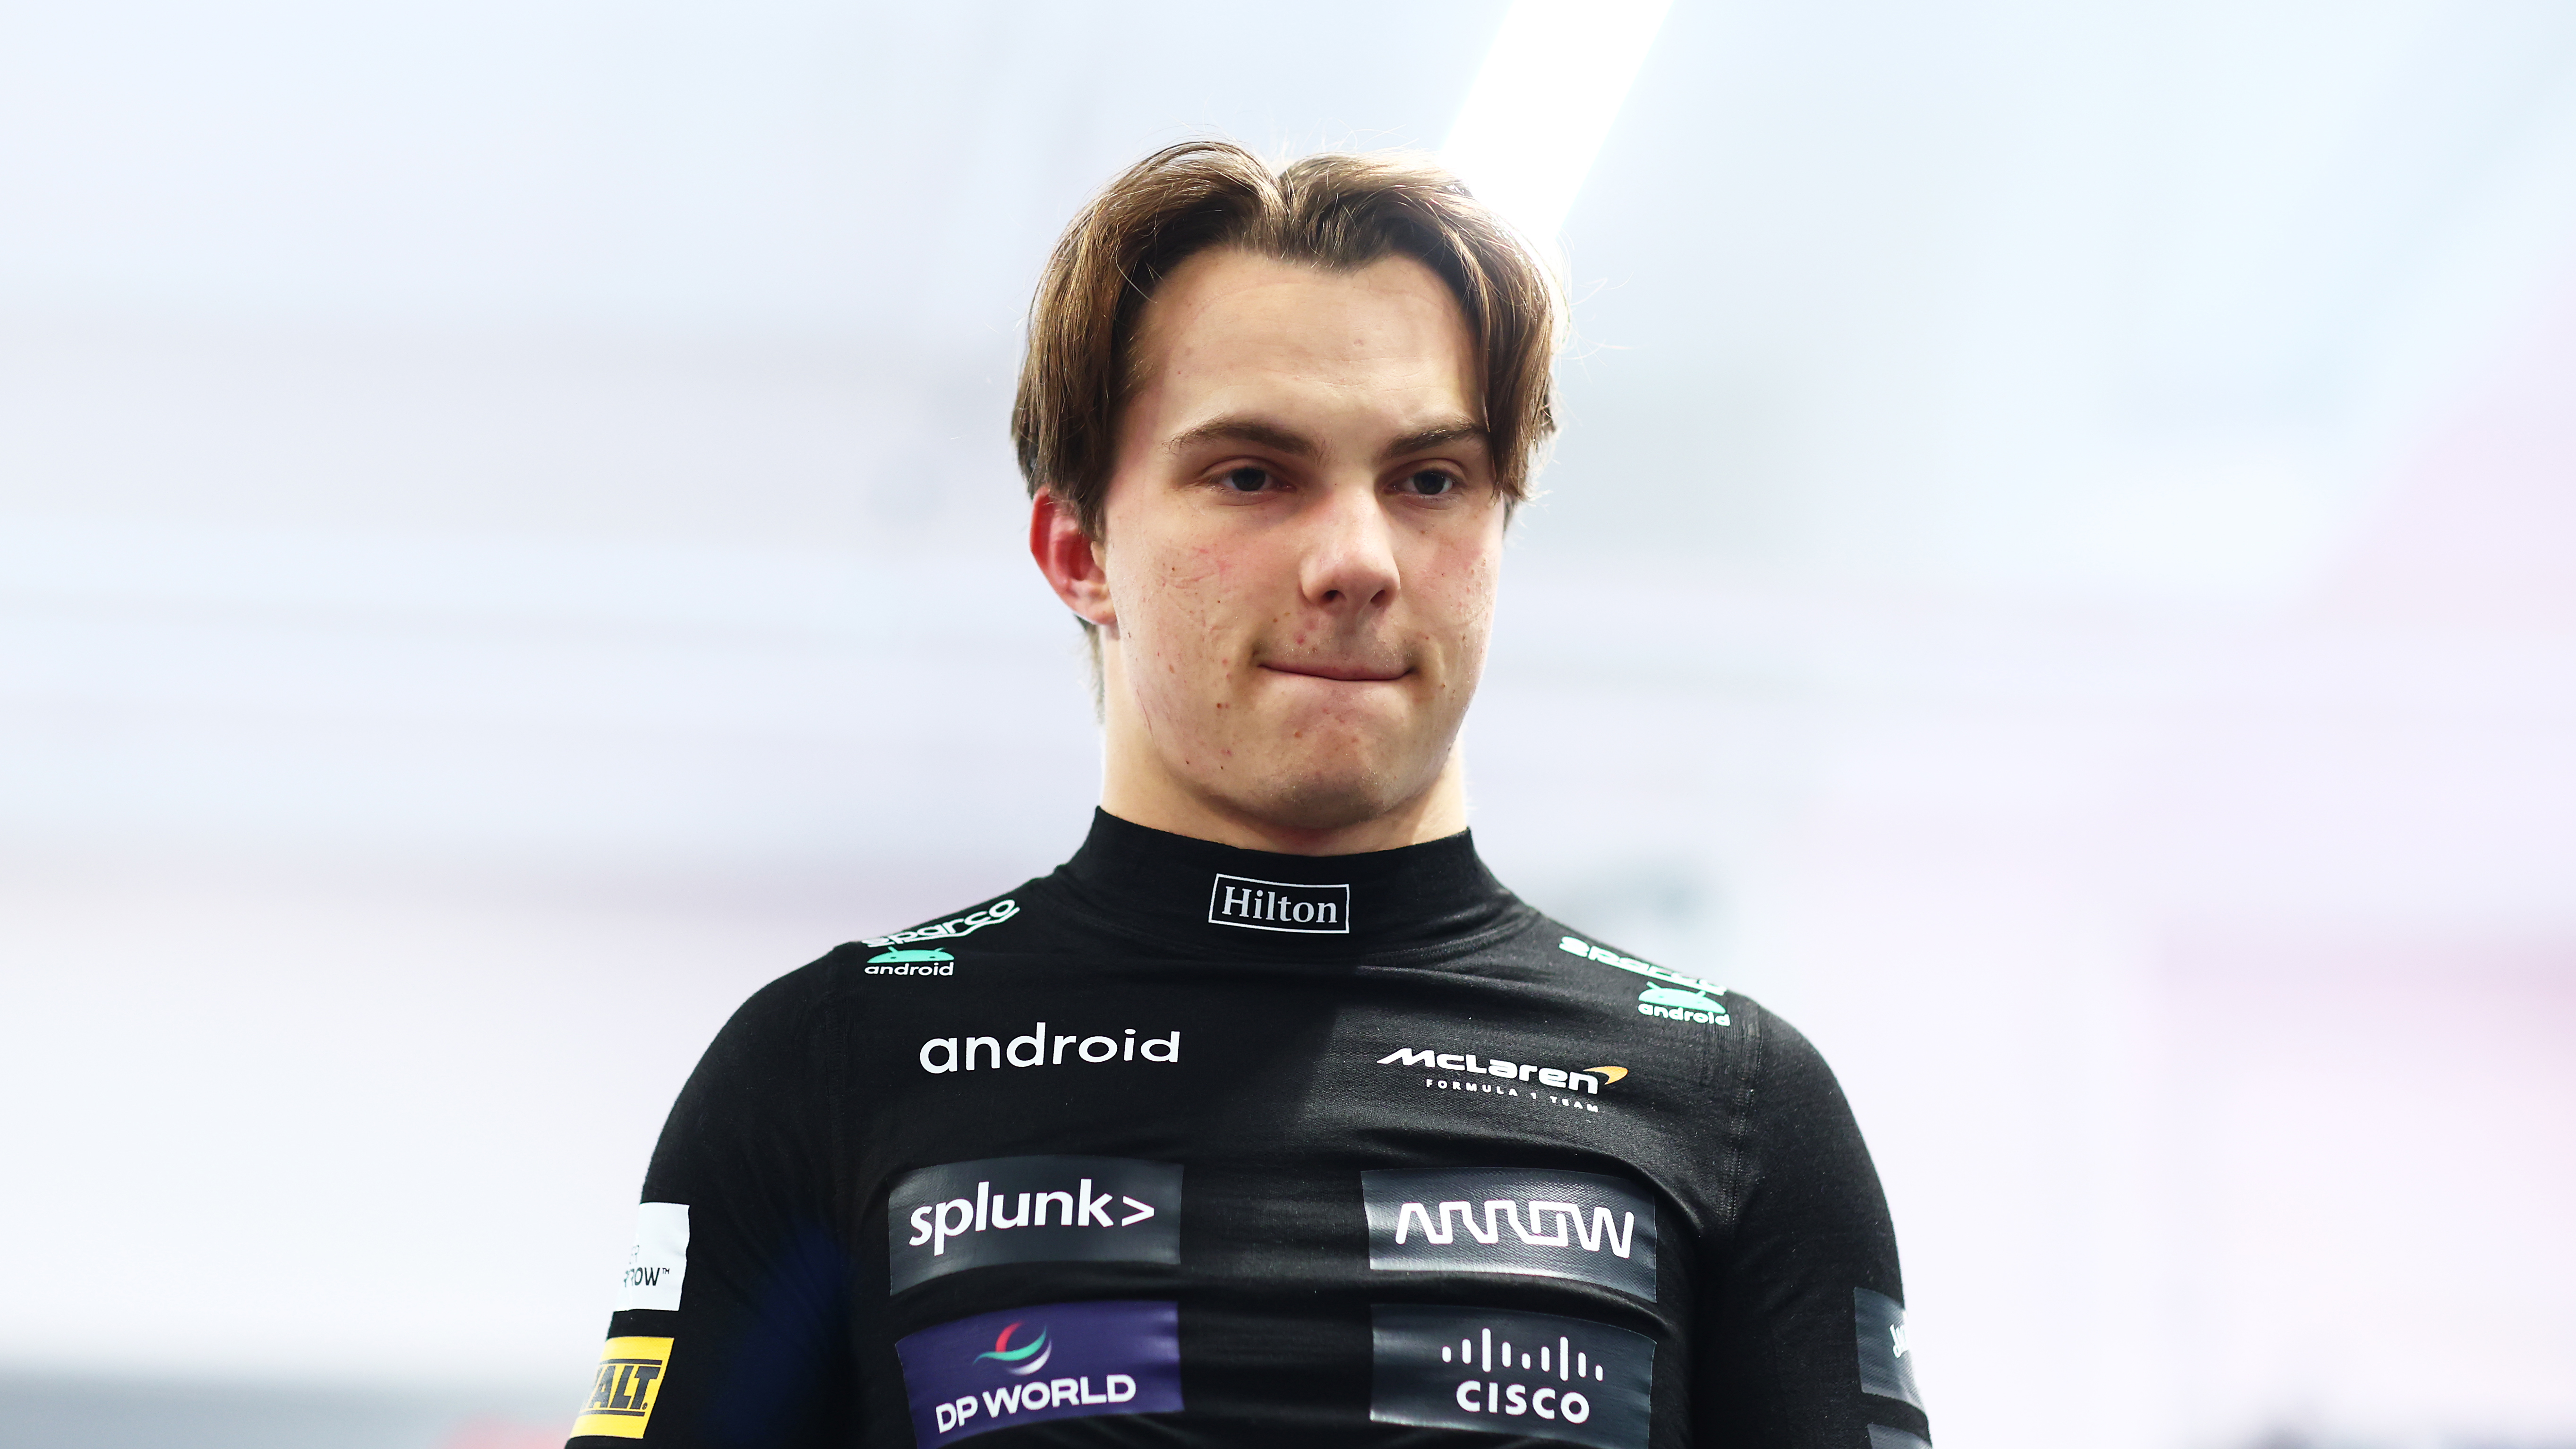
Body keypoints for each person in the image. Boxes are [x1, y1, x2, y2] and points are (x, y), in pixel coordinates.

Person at [568, 141, 1927, 1449]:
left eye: (1432, 479)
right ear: (1079, 550)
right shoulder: (829, 1066)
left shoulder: (1735, 1100)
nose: (1357, 558)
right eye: (1254, 475)